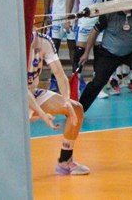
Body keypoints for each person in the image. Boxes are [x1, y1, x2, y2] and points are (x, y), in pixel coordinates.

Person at [27, 30, 88, 175]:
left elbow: (59, 73)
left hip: (32, 92)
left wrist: (66, 100)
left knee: (76, 109)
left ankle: (65, 161)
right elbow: (20, 89)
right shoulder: (12, 44)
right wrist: (42, 114)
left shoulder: (43, 41)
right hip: (12, 97)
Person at [65, 0, 117, 95]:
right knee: (79, 52)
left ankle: (96, 86)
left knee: (99, 53)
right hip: (84, 21)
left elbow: (111, 0)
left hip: (100, 20)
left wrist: (111, 19)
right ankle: (76, 82)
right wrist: (68, 17)